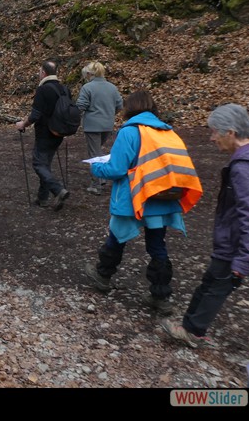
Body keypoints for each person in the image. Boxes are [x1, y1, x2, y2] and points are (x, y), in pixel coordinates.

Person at [83, 90, 203, 314]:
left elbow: (117, 168)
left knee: (117, 236)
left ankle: (102, 275)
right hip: (162, 197)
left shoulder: (129, 132)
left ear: (129, 108)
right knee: (157, 246)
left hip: (135, 196)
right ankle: (161, 294)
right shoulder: (167, 131)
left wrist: (95, 166)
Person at [162, 103, 249, 347]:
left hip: (237, 242)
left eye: (214, 132)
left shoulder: (244, 168)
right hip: (248, 242)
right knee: (214, 282)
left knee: (216, 284)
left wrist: (244, 259)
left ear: (230, 132)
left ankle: (192, 330)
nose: (211, 137)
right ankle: (190, 327)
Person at [14, 60, 71, 211]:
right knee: (45, 164)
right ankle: (42, 198)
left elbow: (35, 115)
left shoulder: (43, 89)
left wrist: (22, 124)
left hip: (45, 133)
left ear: (43, 73)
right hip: (59, 132)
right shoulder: (64, 88)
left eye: (39, 72)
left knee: (38, 164)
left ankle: (58, 190)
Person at [76, 61, 123, 195]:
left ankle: (96, 184)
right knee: (97, 151)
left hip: (92, 126)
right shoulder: (112, 88)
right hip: (107, 125)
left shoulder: (87, 87)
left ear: (90, 74)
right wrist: (109, 114)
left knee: (94, 154)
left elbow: (81, 106)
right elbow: (120, 105)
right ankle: (101, 177)